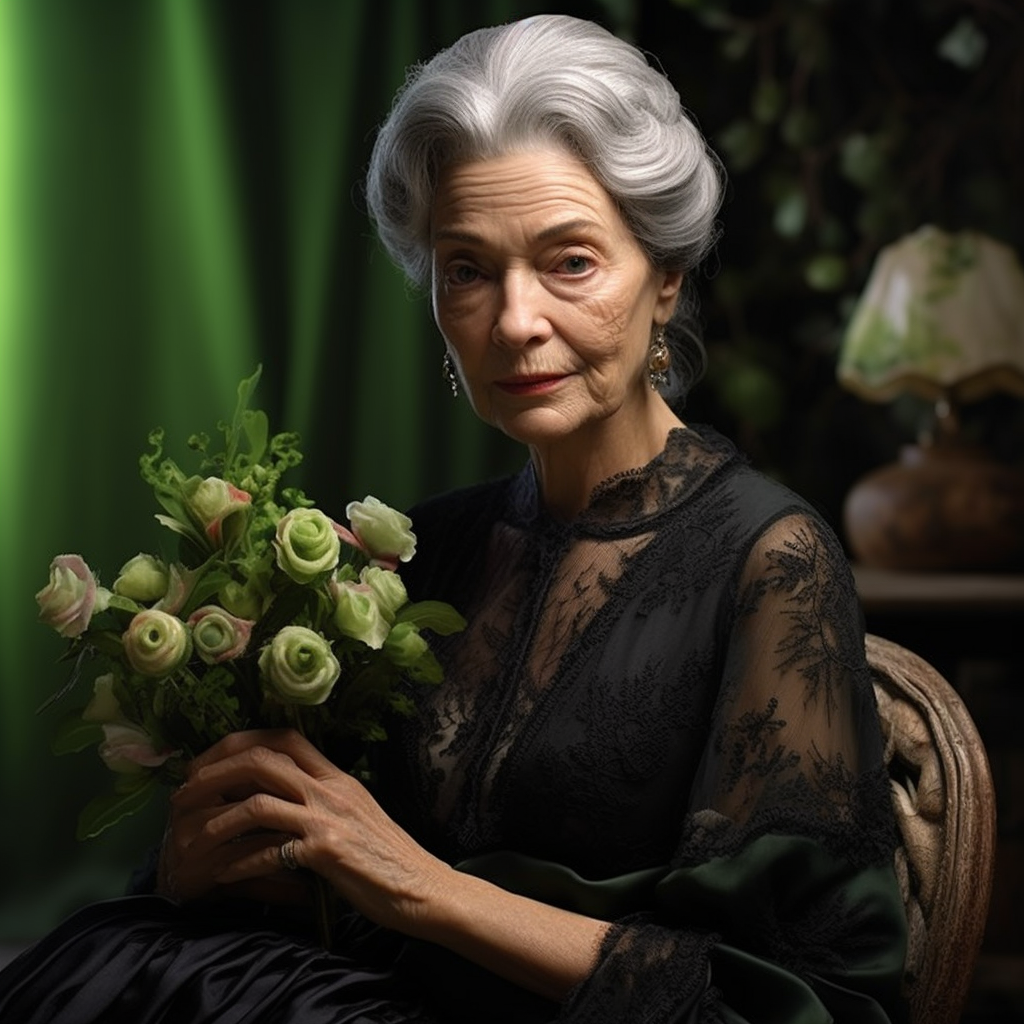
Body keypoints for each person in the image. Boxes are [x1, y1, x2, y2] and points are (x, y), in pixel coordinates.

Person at [0, 14, 907, 1023]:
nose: (513, 320)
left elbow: (802, 999)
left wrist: (416, 884)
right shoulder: (424, 555)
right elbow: (327, 887)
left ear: (664, 278)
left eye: (570, 261)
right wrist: (202, 855)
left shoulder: (769, 560)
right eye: (467, 269)